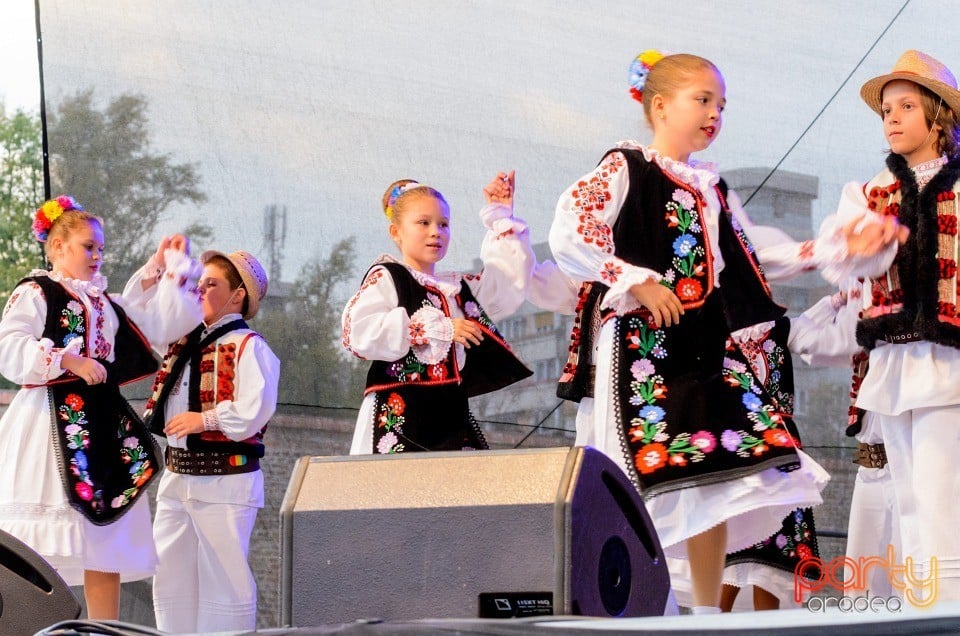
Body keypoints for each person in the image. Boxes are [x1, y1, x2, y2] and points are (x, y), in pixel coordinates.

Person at [547, 50, 900, 614]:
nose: (714, 114)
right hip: (642, 347)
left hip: (704, 348)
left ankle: (706, 615)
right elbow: (571, 227)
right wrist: (637, 280)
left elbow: (752, 254)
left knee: (713, 476)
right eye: (703, 100)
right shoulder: (625, 167)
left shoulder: (710, 189)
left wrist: (834, 249)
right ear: (660, 106)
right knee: (646, 476)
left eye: (721, 105)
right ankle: (642, 605)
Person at [0, 196, 202, 619]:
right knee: (38, 548)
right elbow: (9, 347)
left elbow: (153, 325)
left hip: (102, 430)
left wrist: (164, 268)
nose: (97, 255)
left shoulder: (102, 302)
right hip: (48, 426)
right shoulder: (37, 291)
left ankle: (101, 631)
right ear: (57, 247)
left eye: (101, 248)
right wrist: (69, 360)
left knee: (103, 541)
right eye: (88, 246)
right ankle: (30, 624)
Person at [840, 49, 960, 605]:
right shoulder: (872, 193)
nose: (891, 118)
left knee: (942, 494)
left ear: (938, 117)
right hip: (895, 359)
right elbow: (847, 260)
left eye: (906, 106)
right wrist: (858, 248)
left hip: (950, 359)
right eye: (886, 108)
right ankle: (922, 606)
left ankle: (949, 604)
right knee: (907, 499)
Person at [342, 174, 533, 454]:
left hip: (450, 417)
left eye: (443, 224)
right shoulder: (389, 277)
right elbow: (357, 332)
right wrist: (436, 328)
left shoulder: (455, 288)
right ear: (396, 232)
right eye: (424, 223)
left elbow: (506, 284)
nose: (436, 232)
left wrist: (501, 215)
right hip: (399, 414)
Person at [144, 249, 279, 633]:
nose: (199, 289)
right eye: (198, 282)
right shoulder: (181, 342)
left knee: (226, 581)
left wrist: (205, 419)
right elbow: (142, 318)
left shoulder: (249, 346)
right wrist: (159, 269)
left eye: (211, 283)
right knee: (169, 576)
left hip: (225, 481)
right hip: (177, 477)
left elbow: (256, 408)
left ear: (237, 295)